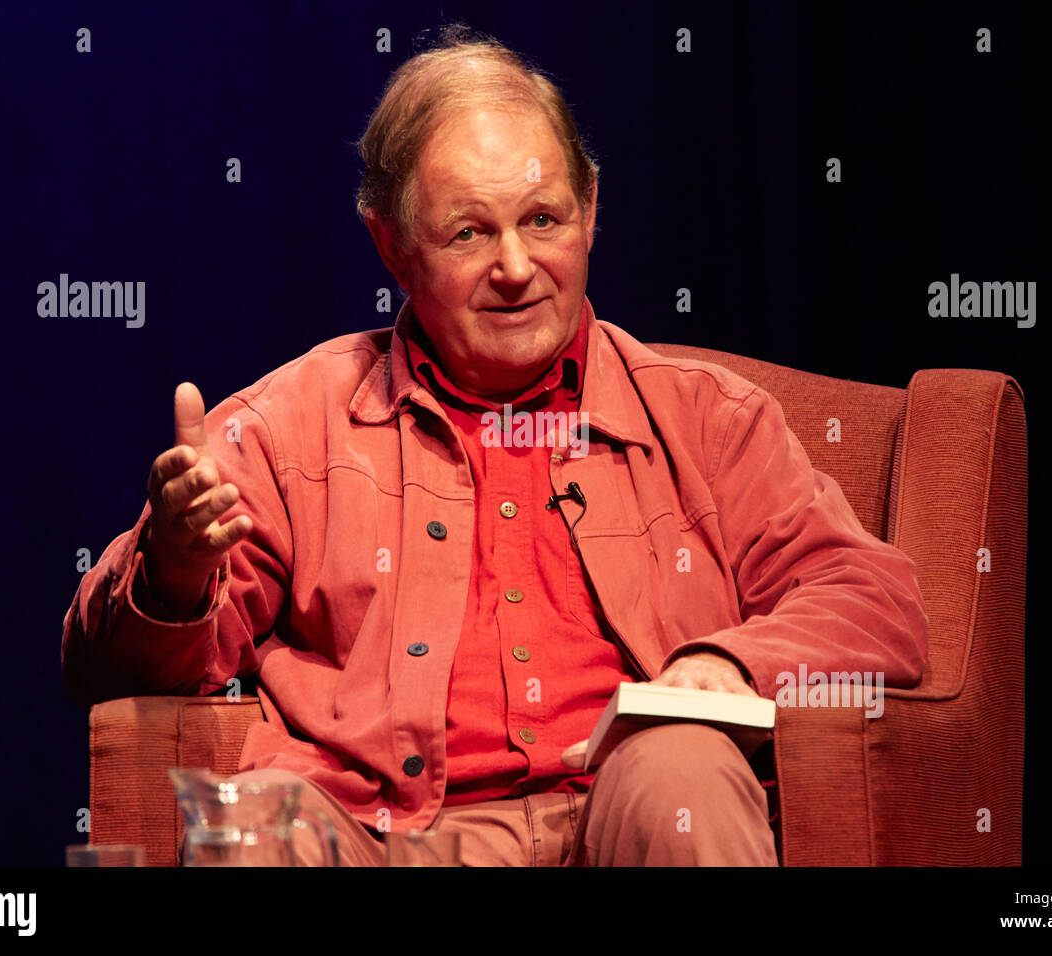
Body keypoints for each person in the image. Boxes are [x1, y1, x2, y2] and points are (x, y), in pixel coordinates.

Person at [61, 28, 930, 866]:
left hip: (630, 814)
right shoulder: (290, 426)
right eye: (470, 233)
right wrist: (171, 575)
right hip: (381, 833)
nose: (516, 265)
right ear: (393, 247)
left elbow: (874, 600)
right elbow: (102, 665)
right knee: (258, 823)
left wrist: (726, 663)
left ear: (592, 213)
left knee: (683, 765)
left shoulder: (710, 419)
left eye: (543, 218)